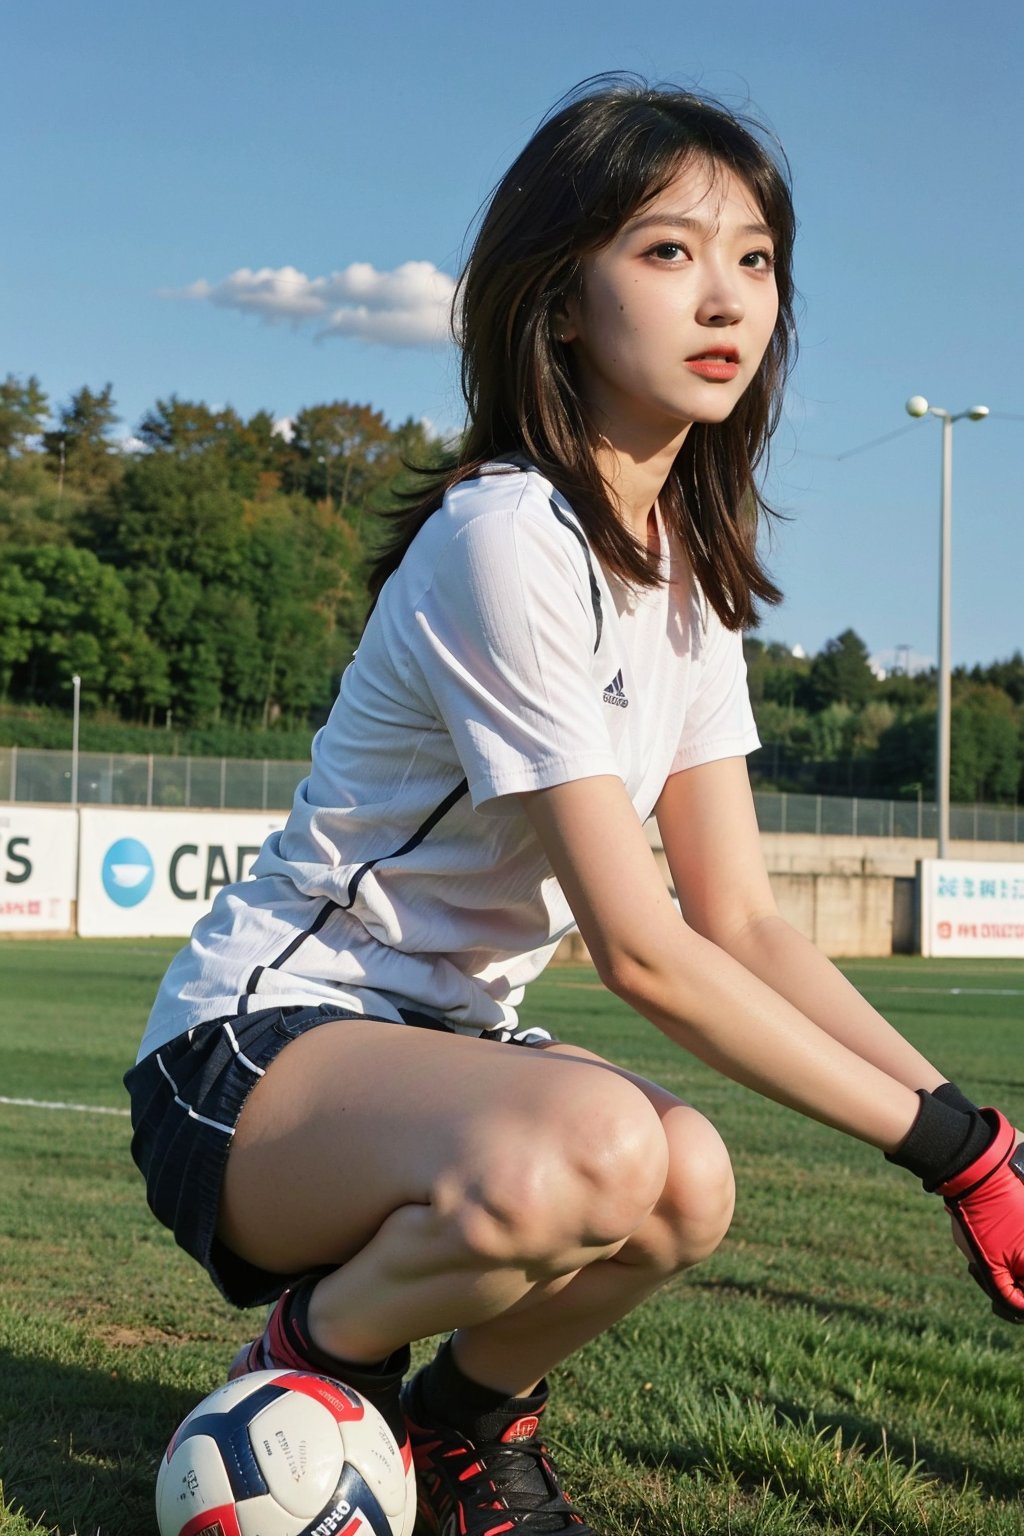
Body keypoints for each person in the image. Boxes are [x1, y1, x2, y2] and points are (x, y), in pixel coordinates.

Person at [125, 77, 1024, 1536]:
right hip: (248, 1060)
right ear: (557, 303)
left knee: (690, 1183)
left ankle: (466, 1422)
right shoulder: (507, 536)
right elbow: (650, 949)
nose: (724, 296)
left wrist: (982, 1139)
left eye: (755, 259)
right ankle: (304, 1363)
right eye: (668, 252)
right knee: (602, 1147)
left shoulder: (684, 579)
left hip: (446, 1059)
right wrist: (949, 1164)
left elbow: (744, 920)